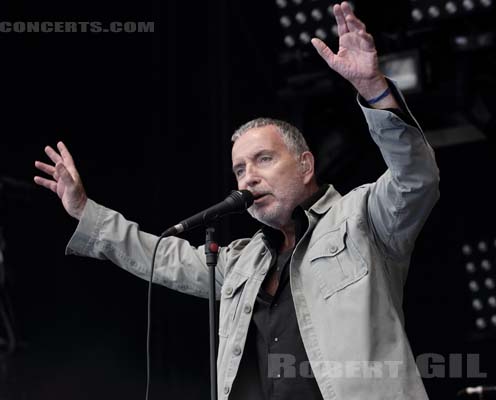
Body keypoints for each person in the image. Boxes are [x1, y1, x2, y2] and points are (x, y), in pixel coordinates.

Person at [34, 3, 439, 399]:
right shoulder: (240, 262)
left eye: (264, 159)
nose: (250, 176)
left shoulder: (363, 218)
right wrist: (85, 210)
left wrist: (372, 89)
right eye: (240, 169)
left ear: (305, 165)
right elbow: (161, 258)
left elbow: (415, 178)